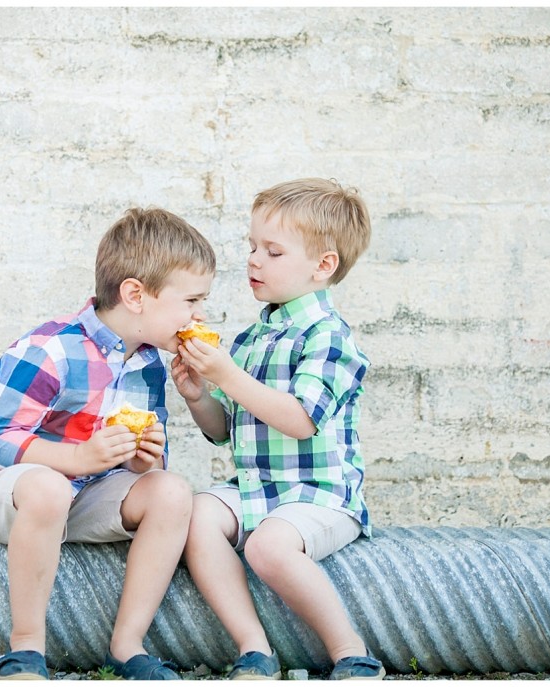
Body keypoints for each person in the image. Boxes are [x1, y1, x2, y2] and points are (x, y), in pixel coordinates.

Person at [0, 207, 215, 680]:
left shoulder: (150, 365)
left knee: (172, 490)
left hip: (87, 495)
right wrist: (76, 457)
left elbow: (134, 472)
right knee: (49, 488)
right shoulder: (50, 349)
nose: (199, 316)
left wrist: (143, 460)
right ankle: (26, 649)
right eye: (191, 301)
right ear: (135, 295)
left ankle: (127, 644)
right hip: (10, 492)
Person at [173, 178, 383, 680]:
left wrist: (226, 374)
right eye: (252, 247)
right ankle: (254, 648)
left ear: (323, 266)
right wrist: (199, 395)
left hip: (319, 495)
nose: (253, 260)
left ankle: (350, 650)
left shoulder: (329, 337)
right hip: (256, 490)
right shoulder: (251, 339)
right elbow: (225, 430)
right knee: (195, 514)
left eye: (273, 251)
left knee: (268, 546)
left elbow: (301, 419)